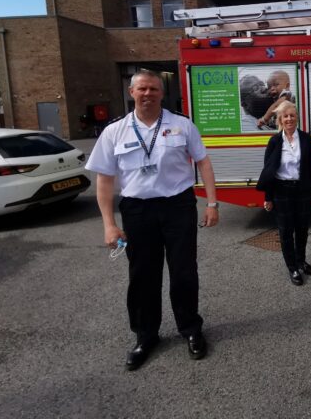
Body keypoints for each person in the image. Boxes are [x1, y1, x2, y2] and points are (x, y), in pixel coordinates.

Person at [86, 69, 219, 371]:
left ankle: (191, 329)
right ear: (131, 92)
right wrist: (109, 223)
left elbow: (204, 162)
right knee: (143, 276)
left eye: (154, 89)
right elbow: (105, 181)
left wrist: (212, 203)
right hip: (137, 210)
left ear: (162, 93)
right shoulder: (114, 132)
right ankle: (146, 336)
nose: (148, 94)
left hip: (178, 207)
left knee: (184, 271)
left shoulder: (182, 125)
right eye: (142, 89)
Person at [256, 100, 311, 286]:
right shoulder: (275, 141)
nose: (289, 119)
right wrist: (268, 197)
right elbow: (268, 171)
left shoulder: (306, 138)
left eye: (292, 115)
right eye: (285, 116)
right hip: (281, 191)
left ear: (297, 117)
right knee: (285, 232)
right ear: (280, 120)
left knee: (302, 230)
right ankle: (292, 268)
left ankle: (301, 261)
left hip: (302, 190)